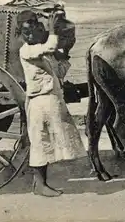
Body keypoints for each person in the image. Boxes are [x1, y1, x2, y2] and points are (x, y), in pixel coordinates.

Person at [18, 10, 86, 197]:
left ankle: (39, 183)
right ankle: (40, 185)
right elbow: (48, 47)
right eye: (26, 32)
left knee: (46, 141)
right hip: (39, 102)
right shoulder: (26, 51)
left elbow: (60, 71)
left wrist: (65, 53)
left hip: (51, 100)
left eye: (34, 31)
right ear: (21, 34)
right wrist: (52, 30)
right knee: (40, 141)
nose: (30, 35)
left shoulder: (44, 54)